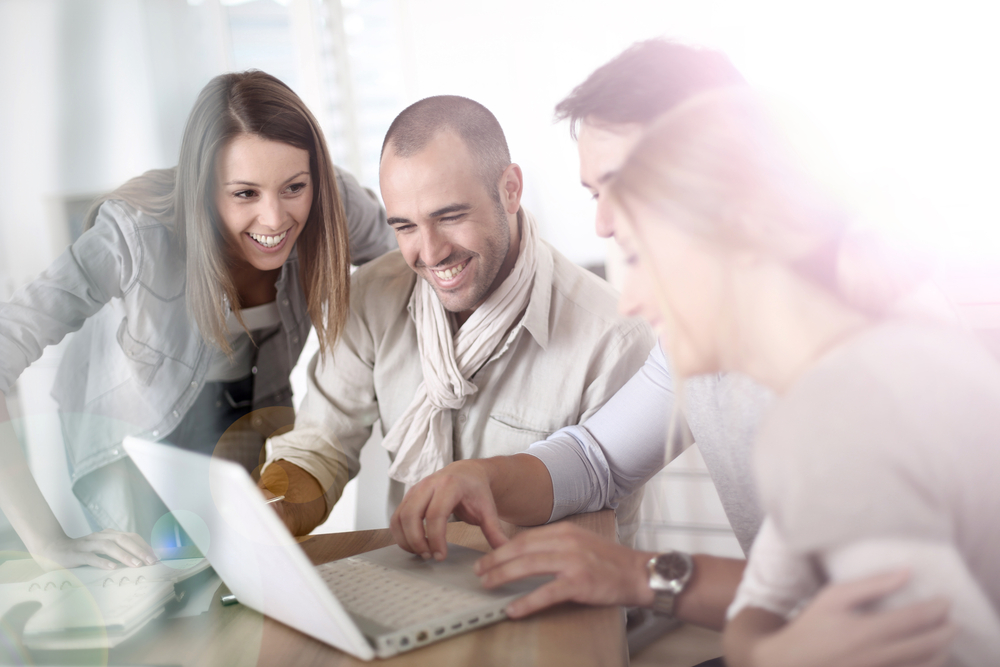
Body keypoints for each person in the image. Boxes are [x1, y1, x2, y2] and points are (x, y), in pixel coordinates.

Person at [390, 39, 958, 665]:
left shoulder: (875, 362)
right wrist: (486, 477)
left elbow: (875, 615)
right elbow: (600, 456)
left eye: (620, 185)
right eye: (592, 192)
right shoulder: (710, 323)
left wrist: (641, 575)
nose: (603, 222)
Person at [608, 90, 985, 666]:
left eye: (637, 256)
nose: (627, 300)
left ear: (739, 232)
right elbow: (758, 608)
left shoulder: (834, 417)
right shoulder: (859, 369)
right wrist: (766, 652)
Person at [0, 70, 395, 570]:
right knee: (171, 596)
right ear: (202, 189)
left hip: (253, 404)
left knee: (257, 578)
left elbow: (409, 275)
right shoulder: (133, 236)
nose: (274, 219)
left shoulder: (334, 201)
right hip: (139, 431)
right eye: (245, 194)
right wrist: (45, 542)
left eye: (293, 186)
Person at [257, 95, 654, 540]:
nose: (429, 253)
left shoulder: (612, 338)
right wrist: (273, 511)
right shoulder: (371, 298)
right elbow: (320, 446)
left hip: (549, 597)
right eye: (404, 226)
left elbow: (600, 515)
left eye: (449, 216)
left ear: (510, 189)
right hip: (414, 590)